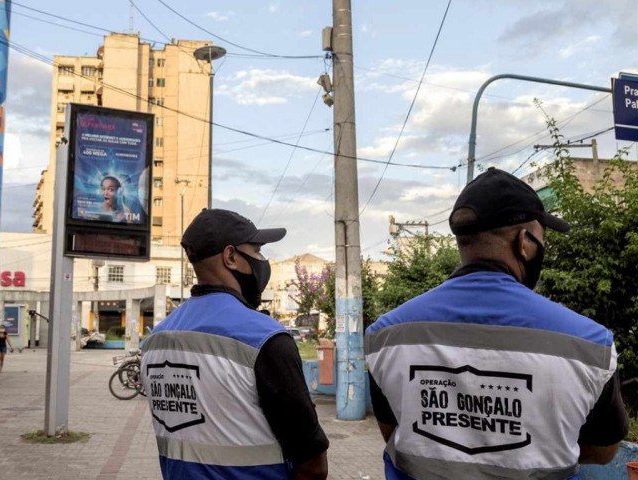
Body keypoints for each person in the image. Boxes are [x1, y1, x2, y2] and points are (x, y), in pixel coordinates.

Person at [364, 167, 628, 479]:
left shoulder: (385, 335)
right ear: (525, 242)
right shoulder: (590, 344)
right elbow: (603, 450)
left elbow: (391, 430)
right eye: (542, 239)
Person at [141, 209, 329, 480]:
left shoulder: (155, 340)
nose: (263, 261)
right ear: (231, 257)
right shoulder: (265, 339)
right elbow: (313, 465)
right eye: (257, 251)